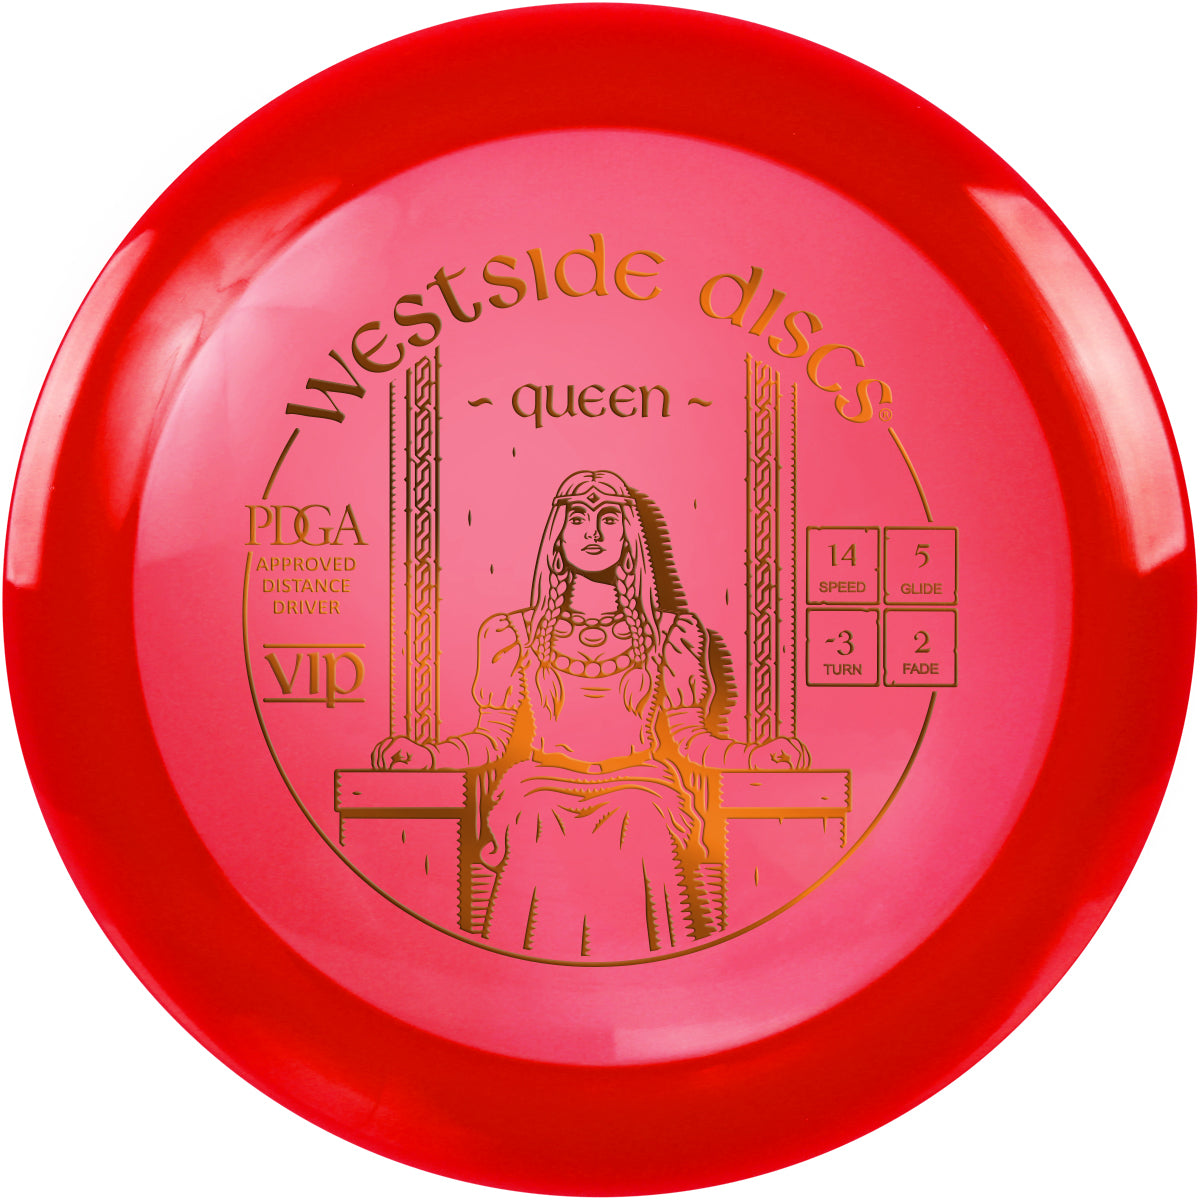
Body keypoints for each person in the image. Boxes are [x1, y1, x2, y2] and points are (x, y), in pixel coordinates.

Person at [372, 470, 808, 960]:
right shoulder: (512, 633)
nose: (593, 532)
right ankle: (532, 980)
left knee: (638, 816)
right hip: (542, 785)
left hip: (637, 784)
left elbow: (691, 739)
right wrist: (428, 757)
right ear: (558, 533)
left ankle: (645, 975)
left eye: (608, 519)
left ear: (629, 534)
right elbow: (491, 738)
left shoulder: (672, 633)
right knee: (538, 815)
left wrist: (754, 758)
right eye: (578, 518)